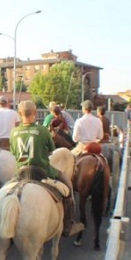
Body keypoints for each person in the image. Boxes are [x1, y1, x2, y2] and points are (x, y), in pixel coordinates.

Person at [10, 100, 84, 237]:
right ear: (35, 113)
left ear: (20, 114)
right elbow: (51, 151)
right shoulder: (43, 130)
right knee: (68, 190)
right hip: (42, 171)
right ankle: (68, 226)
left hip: (21, 172)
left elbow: (14, 153)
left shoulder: (13, 132)